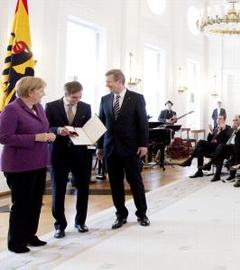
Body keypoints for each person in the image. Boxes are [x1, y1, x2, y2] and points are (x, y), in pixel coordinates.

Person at [0, 77, 56, 253]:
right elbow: (4, 137)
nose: (43, 93)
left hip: (39, 162)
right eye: (41, 90)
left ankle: (30, 235)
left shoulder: (38, 107)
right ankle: (16, 242)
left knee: (34, 203)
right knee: (22, 204)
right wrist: (35, 138)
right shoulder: (11, 109)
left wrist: (49, 134)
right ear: (30, 92)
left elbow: (42, 128)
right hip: (18, 165)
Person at [97, 69, 150, 229]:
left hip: (131, 148)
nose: (107, 85)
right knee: (115, 183)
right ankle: (120, 214)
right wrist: (100, 146)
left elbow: (143, 123)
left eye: (109, 82)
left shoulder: (136, 98)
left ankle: (142, 213)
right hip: (110, 148)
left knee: (135, 181)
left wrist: (143, 144)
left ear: (119, 81)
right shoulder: (105, 99)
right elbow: (101, 124)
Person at [45, 81, 92, 238]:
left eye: (79, 97)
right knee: (58, 189)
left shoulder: (86, 107)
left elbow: (87, 129)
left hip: (80, 153)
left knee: (83, 188)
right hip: (58, 153)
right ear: (65, 94)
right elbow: (45, 127)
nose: (77, 100)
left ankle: (80, 222)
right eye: (74, 98)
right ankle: (60, 225)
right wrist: (58, 130)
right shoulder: (51, 106)